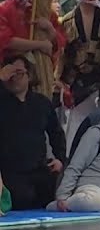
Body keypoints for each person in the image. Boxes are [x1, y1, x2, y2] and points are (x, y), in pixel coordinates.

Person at [0, 55, 66, 210]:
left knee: (47, 201)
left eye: (19, 73)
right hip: (9, 171)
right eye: (11, 74)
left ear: (29, 76)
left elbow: (56, 133)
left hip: (39, 169)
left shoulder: (41, 102)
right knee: (21, 198)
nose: (14, 78)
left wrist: (60, 159)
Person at [0, 0, 66, 100]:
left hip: (41, 71)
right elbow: (6, 41)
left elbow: (57, 43)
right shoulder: (4, 10)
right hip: (14, 70)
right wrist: (39, 45)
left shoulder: (43, 9)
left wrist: (49, 28)